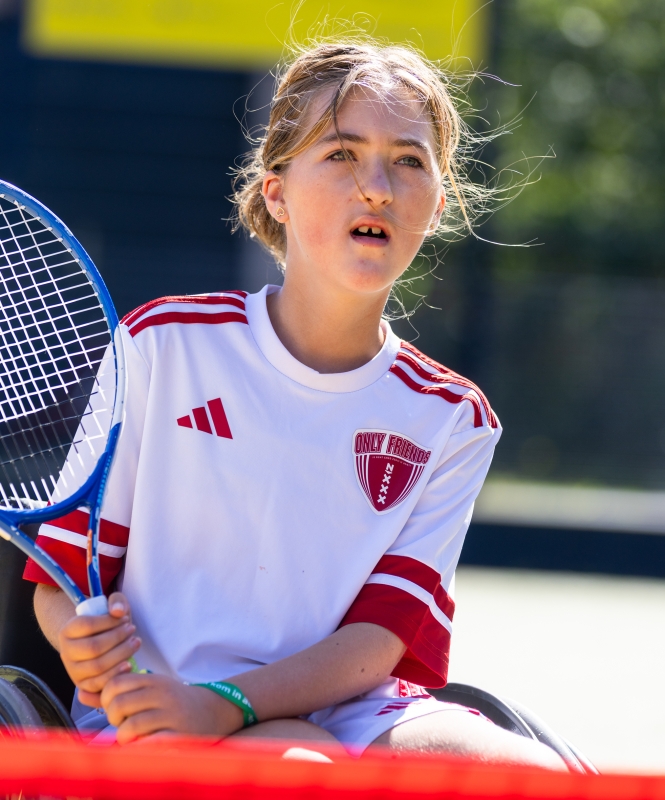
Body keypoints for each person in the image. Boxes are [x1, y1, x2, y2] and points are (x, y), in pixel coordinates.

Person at [25, 38, 564, 768]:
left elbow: (381, 641)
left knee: (537, 776)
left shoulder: (453, 419)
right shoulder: (162, 345)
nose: (375, 185)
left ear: (436, 204)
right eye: (341, 153)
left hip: (358, 713)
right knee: (299, 769)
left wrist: (234, 700)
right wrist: (78, 643)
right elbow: (59, 587)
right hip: (160, 710)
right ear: (275, 191)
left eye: (407, 160)